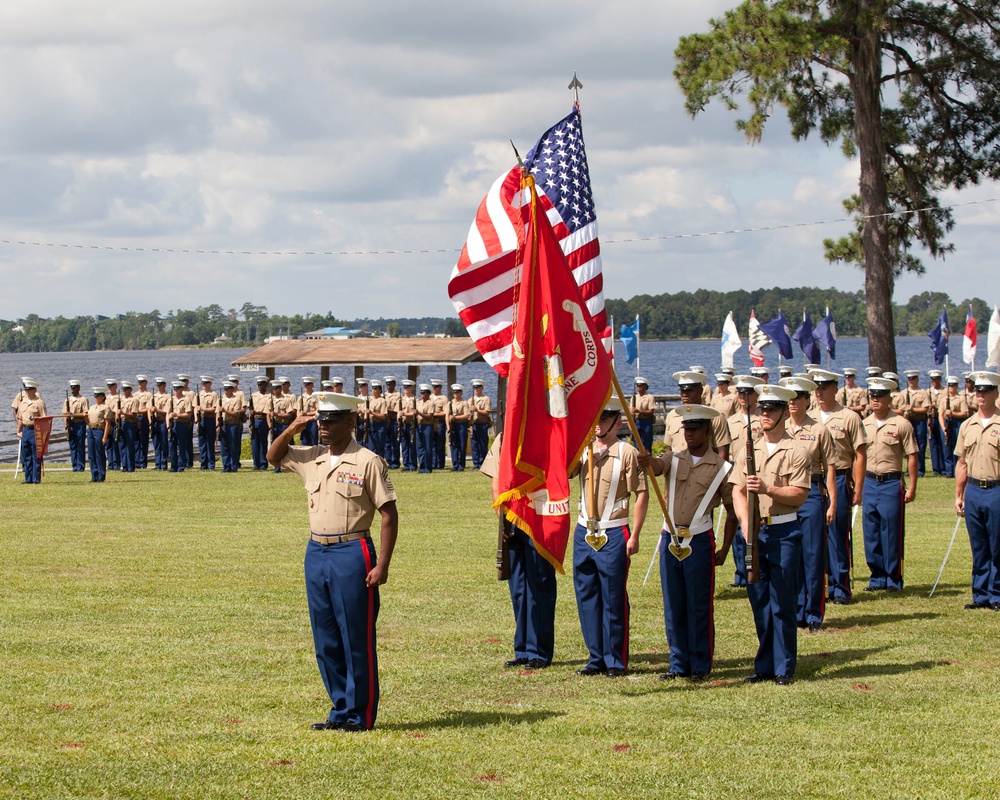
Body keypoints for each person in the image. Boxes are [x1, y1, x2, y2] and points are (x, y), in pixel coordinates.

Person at [266, 392, 398, 732]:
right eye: (320, 420)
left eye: (331, 421)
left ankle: (359, 714)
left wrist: (382, 565)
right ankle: (339, 709)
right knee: (325, 639)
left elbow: (388, 515)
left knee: (356, 637)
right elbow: (272, 456)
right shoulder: (313, 457)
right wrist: (293, 426)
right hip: (316, 552)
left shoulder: (368, 461)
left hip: (352, 551)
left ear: (350, 422)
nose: (323, 426)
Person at [639, 405, 735, 681]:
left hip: (700, 539)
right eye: (686, 429)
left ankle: (701, 664)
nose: (689, 434)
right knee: (674, 604)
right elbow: (659, 466)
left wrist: (725, 549)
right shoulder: (675, 458)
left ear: (707, 431)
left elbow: (731, 512)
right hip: (671, 538)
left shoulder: (722, 467)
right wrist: (648, 461)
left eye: (694, 429)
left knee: (698, 604)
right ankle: (678, 663)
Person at [729, 384, 810, 686]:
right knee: (758, 599)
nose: (765, 414)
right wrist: (744, 522)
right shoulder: (749, 449)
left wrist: (768, 489)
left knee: (782, 601)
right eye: (762, 408)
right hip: (755, 532)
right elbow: (736, 490)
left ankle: (784, 667)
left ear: (783, 412)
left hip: (784, 530)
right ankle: (764, 664)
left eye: (772, 409)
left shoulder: (797, 450)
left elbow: (799, 494)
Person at [572, 396, 648, 677]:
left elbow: (641, 494)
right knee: (587, 596)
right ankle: (595, 657)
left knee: (613, 597)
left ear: (617, 422)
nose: (598, 424)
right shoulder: (585, 450)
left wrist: (635, 535)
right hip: (584, 530)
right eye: (596, 418)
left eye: (604, 419)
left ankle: (615, 659)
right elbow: (566, 473)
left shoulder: (626, 452)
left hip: (614, 530)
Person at [481, 432, 557, 670]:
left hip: (539, 514)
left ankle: (539, 650)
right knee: (519, 588)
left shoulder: (547, 429)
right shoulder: (505, 436)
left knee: (540, 585)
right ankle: (523, 648)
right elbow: (496, 478)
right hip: (512, 518)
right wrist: (503, 519)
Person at [781, 376, 837, 632]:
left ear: (807, 400)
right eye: (789, 398)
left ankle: (814, 612)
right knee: (791, 556)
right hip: (785, 493)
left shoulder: (818, 430)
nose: (792, 403)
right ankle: (796, 610)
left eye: (797, 398)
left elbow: (830, 467)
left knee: (813, 555)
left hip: (812, 492)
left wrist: (832, 501)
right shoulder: (780, 429)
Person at [810, 369, 867, 606]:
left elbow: (860, 454)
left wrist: (859, 488)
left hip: (841, 477)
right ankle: (817, 588)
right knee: (813, 537)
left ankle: (840, 587)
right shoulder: (808, 417)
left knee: (838, 535)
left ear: (836, 389)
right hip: (814, 480)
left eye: (825, 387)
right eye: (817, 388)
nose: (820, 392)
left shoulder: (849, 417)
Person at [861, 377, 918, 592]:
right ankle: (877, 577)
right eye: (872, 395)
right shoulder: (864, 424)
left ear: (889, 397)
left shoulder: (901, 424)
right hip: (869, 482)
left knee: (891, 532)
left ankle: (893, 578)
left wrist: (912, 487)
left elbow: (912, 456)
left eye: (880, 396)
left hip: (891, 483)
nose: (875, 400)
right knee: (871, 532)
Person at [954, 371, 1000, 610]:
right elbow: (962, 463)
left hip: (996, 490)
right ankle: (980, 595)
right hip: (973, 490)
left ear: (995, 393)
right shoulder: (967, 425)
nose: (980, 395)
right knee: (979, 546)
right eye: (977, 391)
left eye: (985, 391)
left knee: (997, 545)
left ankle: (997, 594)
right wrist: (958, 495)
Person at [725, 375, 766, 588]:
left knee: (757, 521)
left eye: (748, 392)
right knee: (736, 520)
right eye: (740, 392)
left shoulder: (764, 419)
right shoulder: (730, 421)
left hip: (759, 474)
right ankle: (741, 572)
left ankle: (756, 566)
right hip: (736, 475)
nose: (743, 396)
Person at [663, 372, 731, 460]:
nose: (684, 394)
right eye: (682, 390)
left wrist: (717, 473)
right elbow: (670, 448)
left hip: (704, 470)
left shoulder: (715, 417)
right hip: (677, 470)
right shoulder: (672, 416)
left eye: (689, 390)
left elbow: (722, 451)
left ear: (700, 391)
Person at [898, 370, 930, 477]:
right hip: (907, 421)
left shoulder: (923, 392)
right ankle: (909, 469)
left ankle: (920, 470)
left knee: (920, 445)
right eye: (909, 379)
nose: (911, 381)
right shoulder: (903, 393)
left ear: (917, 380)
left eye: (913, 379)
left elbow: (925, 409)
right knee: (908, 445)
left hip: (919, 421)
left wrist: (913, 409)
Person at [16, 379, 47, 484]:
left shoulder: (39, 402)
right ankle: (28, 478)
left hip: (35, 430)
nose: (27, 392)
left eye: (29, 390)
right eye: (26, 390)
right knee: (26, 455)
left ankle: (35, 478)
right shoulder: (22, 403)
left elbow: (44, 418)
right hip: (25, 429)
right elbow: (20, 418)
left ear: (34, 390)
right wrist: (19, 431)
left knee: (36, 455)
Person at [939, 376, 969, 478]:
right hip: (946, 423)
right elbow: (940, 414)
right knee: (946, 448)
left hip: (957, 424)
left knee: (957, 448)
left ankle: (957, 470)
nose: (951, 387)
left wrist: (952, 413)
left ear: (957, 386)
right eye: (949, 385)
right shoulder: (944, 399)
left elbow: (965, 413)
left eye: (953, 385)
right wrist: (943, 427)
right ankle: (949, 472)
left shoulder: (961, 398)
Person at [87, 387, 113, 482]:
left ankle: (101, 475)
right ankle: (94, 475)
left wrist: (105, 436)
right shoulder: (92, 407)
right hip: (91, 429)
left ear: (102, 397)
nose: (96, 397)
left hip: (99, 430)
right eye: (95, 396)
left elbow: (107, 423)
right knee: (91, 454)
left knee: (99, 453)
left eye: (98, 396)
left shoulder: (105, 408)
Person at [270, 378, 296, 473]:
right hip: (275, 425)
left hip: (284, 425)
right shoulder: (271, 400)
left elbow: (289, 414)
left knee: (286, 446)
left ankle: (288, 465)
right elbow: (268, 414)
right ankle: (277, 467)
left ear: (280, 389)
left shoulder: (286, 400)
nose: (275, 390)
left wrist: (277, 415)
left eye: (277, 388)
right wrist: (270, 426)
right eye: (273, 388)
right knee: (276, 446)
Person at [64, 380, 89, 472]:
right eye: (71, 387)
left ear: (78, 388)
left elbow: (85, 414)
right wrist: (66, 426)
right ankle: (74, 465)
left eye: (74, 387)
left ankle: (80, 466)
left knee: (80, 445)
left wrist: (74, 415)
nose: (72, 389)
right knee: (72, 446)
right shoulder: (67, 400)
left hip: (79, 424)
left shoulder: (83, 399)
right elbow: (64, 414)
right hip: (71, 424)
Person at [219, 381, 244, 472]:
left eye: (227, 389)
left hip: (233, 424)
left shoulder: (236, 399)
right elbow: (218, 413)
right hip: (224, 425)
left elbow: (236, 414)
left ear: (232, 389)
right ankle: (226, 466)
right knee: (224, 446)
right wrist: (217, 425)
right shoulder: (222, 399)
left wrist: (225, 410)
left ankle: (234, 466)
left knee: (233, 446)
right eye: (224, 389)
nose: (225, 390)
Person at [168, 380, 193, 472]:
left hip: (182, 424)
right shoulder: (171, 399)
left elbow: (188, 414)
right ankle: (173, 466)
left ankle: (181, 466)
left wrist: (177, 415)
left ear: (181, 389)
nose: (175, 390)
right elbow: (168, 413)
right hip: (173, 424)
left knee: (182, 445)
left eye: (177, 388)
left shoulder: (186, 399)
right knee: (172, 446)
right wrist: (168, 425)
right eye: (174, 389)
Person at [196, 376, 219, 470]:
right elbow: (195, 407)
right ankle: (203, 464)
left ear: (210, 384)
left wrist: (204, 409)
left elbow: (215, 408)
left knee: (210, 443)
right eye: (203, 383)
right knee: (202, 443)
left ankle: (211, 464)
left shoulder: (213, 394)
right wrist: (197, 421)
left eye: (205, 383)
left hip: (210, 419)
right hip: (201, 419)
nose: (203, 385)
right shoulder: (199, 395)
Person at [249, 377, 272, 470]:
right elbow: (250, 409)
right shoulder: (253, 395)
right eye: (258, 384)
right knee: (254, 443)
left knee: (263, 442)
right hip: (254, 420)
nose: (259, 386)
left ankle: (263, 464)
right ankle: (256, 464)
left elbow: (267, 411)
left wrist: (257, 412)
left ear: (266, 385)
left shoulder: (269, 396)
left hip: (263, 420)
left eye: (261, 384)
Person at [927, 369, 947, 476]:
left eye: (937, 379)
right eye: (933, 379)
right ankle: (936, 469)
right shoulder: (928, 391)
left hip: (941, 418)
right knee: (933, 444)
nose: (935, 381)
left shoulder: (945, 391)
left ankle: (944, 468)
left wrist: (936, 406)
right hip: (931, 418)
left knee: (942, 443)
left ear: (940, 379)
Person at [447, 384, 471, 471]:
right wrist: (448, 426)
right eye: (454, 392)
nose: (456, 394)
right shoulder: (450, 403)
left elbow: (466, 415)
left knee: (462, 445)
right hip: (452, 426)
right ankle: (455, 464)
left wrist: (455, 417)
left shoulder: (464, 403)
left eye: (457, 392)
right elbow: (447, 415)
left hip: (461, 425)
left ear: (461, 393)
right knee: (453, 445)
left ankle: (461, 465)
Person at [469, 379, 492, 470]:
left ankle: (483, 462)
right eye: (475, 387)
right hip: (474, 424)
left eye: (478, 387)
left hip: (482, 424)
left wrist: (477, 410)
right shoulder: (471, 400)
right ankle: (476, 463)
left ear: (482, 388)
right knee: (474, 445)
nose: (476, 389)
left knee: (482, 444)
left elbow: (487, 412)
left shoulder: (486, 399)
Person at [118, 382, 139, 472]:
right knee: (122, 445)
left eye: (126, 389)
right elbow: (117, 412)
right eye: (123, 389)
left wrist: (124, 413)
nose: (124, 391)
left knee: (130, 445)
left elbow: (134, 414)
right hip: (121, 423)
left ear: (130, 389)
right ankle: (124, 466)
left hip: (130, 423)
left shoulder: (134, 400)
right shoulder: (121, 399)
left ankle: (130, 466)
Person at [631, 377, 656, 452]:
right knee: (636, 443)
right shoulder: (634, 397)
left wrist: (639, 411)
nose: (639, 387)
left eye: (641, 385)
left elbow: (651, 411)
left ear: (645, 387)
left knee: (647, 443)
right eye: (637, 385)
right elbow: (631, 410)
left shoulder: (650, 397)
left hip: (646, 422)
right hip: (637, 421)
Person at [415, 384, 436, 473]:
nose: (422, 394)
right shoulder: (418, 403)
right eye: (421, 393)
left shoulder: (430, 403)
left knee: (427, 448)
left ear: (428, 394)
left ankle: (428, 467)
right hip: (419, 426)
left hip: (427, 426)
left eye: (424, 393)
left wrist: (419, 413)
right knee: (420, 448)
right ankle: (422, 466)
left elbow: (430, 416)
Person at [151, 378, 171, 470]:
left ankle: (163, 464)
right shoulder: (154, 397)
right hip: (155, 421)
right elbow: (149, 409)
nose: (158, 387)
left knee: (164, 443)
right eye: (157, 385)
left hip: (163, 421)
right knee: (156, 443)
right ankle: (157, 464)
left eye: (160, 385)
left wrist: (157, 410)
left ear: (164, 385)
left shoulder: (168, 397)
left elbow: (167, 411)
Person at [399, 380, 418, 472]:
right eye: (404, 387)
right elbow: (398, 413)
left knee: (412, 445)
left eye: (407, 387)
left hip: (411, 425)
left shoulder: (415, 400)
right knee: (404, 445)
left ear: (412, 388)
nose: (405, 389)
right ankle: (406, 464)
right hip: (403, 425)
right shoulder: (401, 400)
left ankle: (412, 464)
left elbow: (415, 413)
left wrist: (405, 414)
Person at [134, 375, 153, 469]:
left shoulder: (149, 395)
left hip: (143, 418)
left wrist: (138, 411)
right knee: (136, 441)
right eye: (138, 382)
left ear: (146, 383)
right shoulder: (134, 395)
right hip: (135, 418)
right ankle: (136, 461)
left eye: (141, 382)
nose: (140, 384)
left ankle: (143, 462)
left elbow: (148, 408)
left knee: (143, 441)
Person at [366, 380, 389, 456]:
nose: (374, 390)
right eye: (373, 388)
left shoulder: (382, 401)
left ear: (379, 390)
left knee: (380, 446)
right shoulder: (370, 400)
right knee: (371, 447)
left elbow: (383, 416)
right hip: (371, 424)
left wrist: (372, 413)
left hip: (380, 424)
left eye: (375, 388)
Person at [383, 377, 401, 468]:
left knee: (395, 441)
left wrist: (387, 410)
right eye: (387, 384)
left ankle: (395, 461)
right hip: (385, 420)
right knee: (387, 442)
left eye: (390, 384)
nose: (388, 386)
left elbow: (397, 409)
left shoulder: (398, 395)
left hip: (393, 420)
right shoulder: (383, 395)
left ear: (394, 384)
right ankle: (389, 460)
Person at [431, 379, 448, 469]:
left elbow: (445, 413)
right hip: (431, 422)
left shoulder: (444, 398)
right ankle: (433, 463)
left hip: (440, 422)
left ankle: (440, 463)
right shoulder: (429, 397)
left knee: (440, 443)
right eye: (433, 387)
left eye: (436, 387)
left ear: (440, 387)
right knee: (433, 443)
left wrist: (434, 414)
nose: (434, 388)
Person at [105, 380, 122, 470]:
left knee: (116, 443)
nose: (110, 388)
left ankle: (116, 463)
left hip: (115, 422)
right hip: (107, 423)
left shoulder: (119, 397)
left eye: (111, 386)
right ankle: (110, 463)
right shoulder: (106, 398)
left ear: (115, 386)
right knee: (108, 444)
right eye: (108, 386)